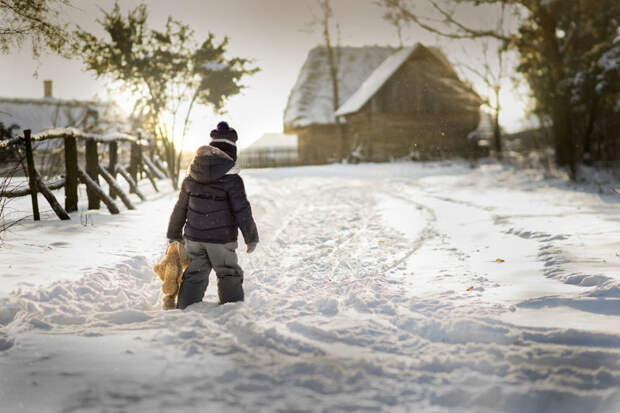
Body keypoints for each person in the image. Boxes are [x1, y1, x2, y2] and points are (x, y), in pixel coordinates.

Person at [166, 121, 259, 309]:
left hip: (194, 238)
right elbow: (242, 210)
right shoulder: (232, 179)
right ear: (231, 154)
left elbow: (180, 207)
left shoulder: (191, 175)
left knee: (194, 274)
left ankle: (185, 309)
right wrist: (251, 237)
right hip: (221, 240)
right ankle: (231, 309)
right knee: (228, 272)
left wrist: (173, 233)